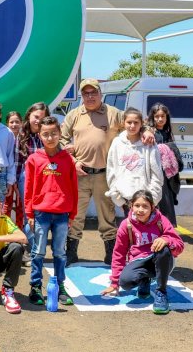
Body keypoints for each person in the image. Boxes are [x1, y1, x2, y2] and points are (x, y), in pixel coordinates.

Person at [60, 78, 154, 266]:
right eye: (86, 93)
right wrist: (73, 161)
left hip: (105, 175)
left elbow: (134, 120)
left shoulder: (113, 113)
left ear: (100, 94)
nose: (90, 96)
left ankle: (111, 254)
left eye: (93, 92)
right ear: (82, 96)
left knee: (107, 216)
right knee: (76, 215)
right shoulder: (74, 115)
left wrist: (147, 130)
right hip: (80, 174)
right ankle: (71, 253)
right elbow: (62, 139)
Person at [100, 190, 185, 314]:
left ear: (152, 207)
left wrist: (166, 239)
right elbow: (119, 253)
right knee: (125, 282)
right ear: (131, 206)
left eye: (145, 206)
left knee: (163, 249)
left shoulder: (161, 221)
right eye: (137, 205)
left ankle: (161, 293)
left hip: (161, 260)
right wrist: (114, 282)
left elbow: (180, 245)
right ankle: (144, 279)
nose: (140, 210)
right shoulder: (126, 225)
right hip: (139, 261)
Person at [25, 116, 78, 307]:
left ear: (60, 134)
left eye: (53, 134)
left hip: (62, 214)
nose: (50, 138)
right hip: (41, 213)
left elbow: (73, 187)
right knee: (37, 252)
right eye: (45, 134)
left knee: (59, 253)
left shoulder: (67, 159)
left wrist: (72, 214)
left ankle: (60, 286)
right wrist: (29, 213)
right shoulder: (34, 159)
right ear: (40, 135)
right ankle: (36, 287)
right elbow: (29, 187)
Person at [10, 103, 49, 259]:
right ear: (29, 116)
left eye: (42, 118)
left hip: (46, 179)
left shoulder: (47, 134)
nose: (38, 121)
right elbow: (17, 161)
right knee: (29, 215)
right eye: (36, 117)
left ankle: (38, 247)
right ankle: (32, 250)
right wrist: (16, 185)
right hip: (26, 179)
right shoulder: (19, 135)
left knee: (43, 214)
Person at [106, 107, 163, 211]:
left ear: (141, 124)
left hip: (146, 200)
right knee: (128, 227)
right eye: (129, 122)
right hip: (125, 199)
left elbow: (157, 173)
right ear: (124, 123)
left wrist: (152, 199)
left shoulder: (149, 143)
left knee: (147, 227)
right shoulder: (117, 143)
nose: (132, 126)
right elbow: (111, 170)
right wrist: (118, 198)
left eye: (136, 122)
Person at [147, 103, 184, 226]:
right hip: (154, 173)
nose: (160, 119)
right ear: (152, 117)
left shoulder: (167, 132)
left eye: (163, 116)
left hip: (167, 174)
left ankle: (167, 228)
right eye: (156, 116)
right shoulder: (150, 132)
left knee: (167, 202)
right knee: (156, 201)